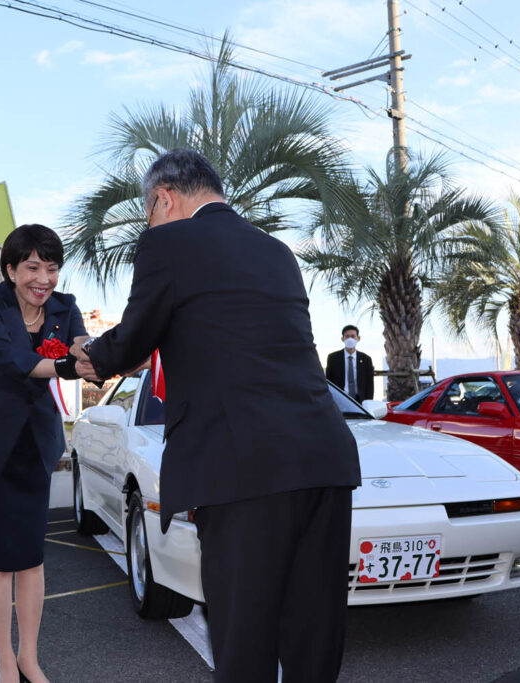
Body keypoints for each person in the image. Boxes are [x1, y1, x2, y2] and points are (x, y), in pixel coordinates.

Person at [71, 149, 361, 682]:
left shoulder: (167, 242)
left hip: (243, 468)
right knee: (313, 634)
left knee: (243, 637)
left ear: (164, 198)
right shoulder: (277, 252)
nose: (150, 223)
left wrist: (87, 353)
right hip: (325, 457)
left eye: (149, 211)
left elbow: (134, 337)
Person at [0, 224, 96, 683]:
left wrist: (101, 352)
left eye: (51, 268)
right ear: (10, 269)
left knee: (30, 555)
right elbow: (6, 358)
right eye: (32, 267)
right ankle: (5, 660)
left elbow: (80, 344)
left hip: (32, 443)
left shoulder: (64, 307)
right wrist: (67, 364)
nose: (43, 278)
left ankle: (30, 657)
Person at [325, 325, 375, 402]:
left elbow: (369, 384)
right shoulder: (333, 358)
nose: (350, 339)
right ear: (342, 339)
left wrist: (369, 402)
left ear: (358, 338)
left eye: (353, 336)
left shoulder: (366, 359)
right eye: (347, 336)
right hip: (340, 399)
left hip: (360, 401)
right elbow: (329, 380)